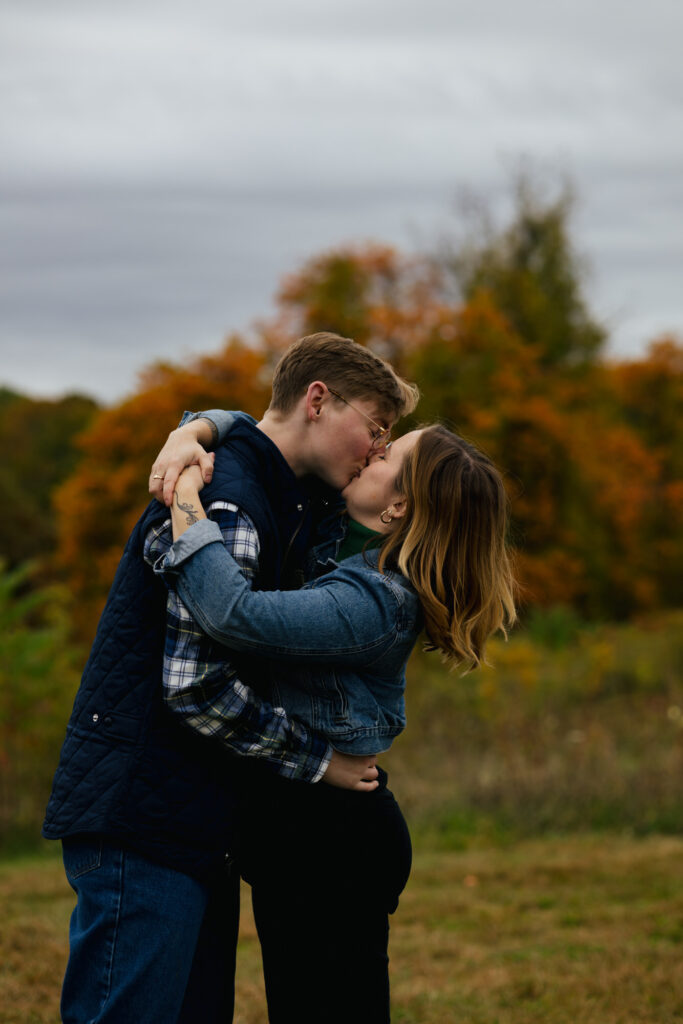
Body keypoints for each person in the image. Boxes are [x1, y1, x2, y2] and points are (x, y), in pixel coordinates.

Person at [43, 332, 418, 1024]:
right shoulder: (231, 504)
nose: (373, 449)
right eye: (374, 428)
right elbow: (195, 684)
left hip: (191, 812)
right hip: (145, 808)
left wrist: (201, 424)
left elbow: (247, 430)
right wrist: (318, 761)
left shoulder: (277, 490)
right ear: (317, 401)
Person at [153, 423, 516, 1024]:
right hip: (304, 827)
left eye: (388, 454)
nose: (373, 450)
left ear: (398, 505)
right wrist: (195, 431)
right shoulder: (333, 537)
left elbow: (232, 613)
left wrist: (186, 497)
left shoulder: (377, 601)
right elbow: (276, 426)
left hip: (331, 840)